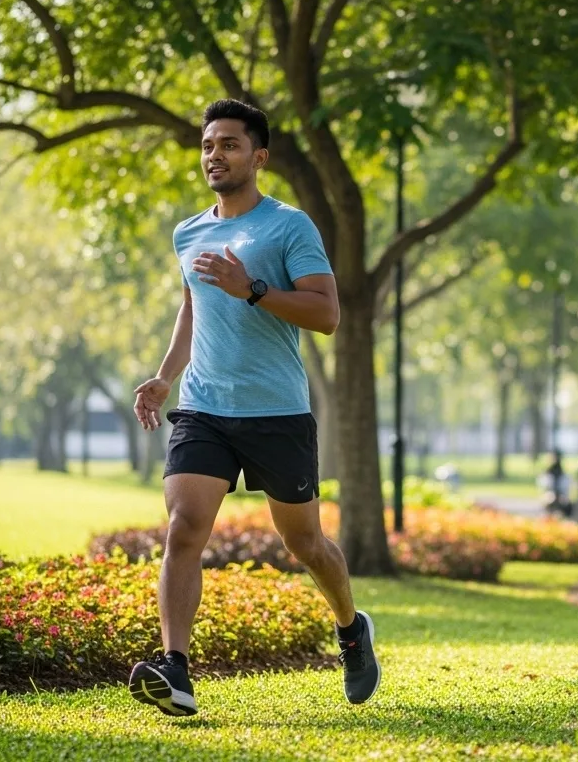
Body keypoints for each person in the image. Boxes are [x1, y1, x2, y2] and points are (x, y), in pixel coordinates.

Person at [129, 99, 379, 716]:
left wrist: (256, 290)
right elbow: (194, 309)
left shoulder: (290, 227)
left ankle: (351, 630)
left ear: (259, 156)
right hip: (205, 408)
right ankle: (176, 669)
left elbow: (326, 314)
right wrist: (166, 378)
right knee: (184, 528)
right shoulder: (189, 232)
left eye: (230, 145)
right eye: (209, 145)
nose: (216, 155)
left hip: (276, 411)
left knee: (305, 544)